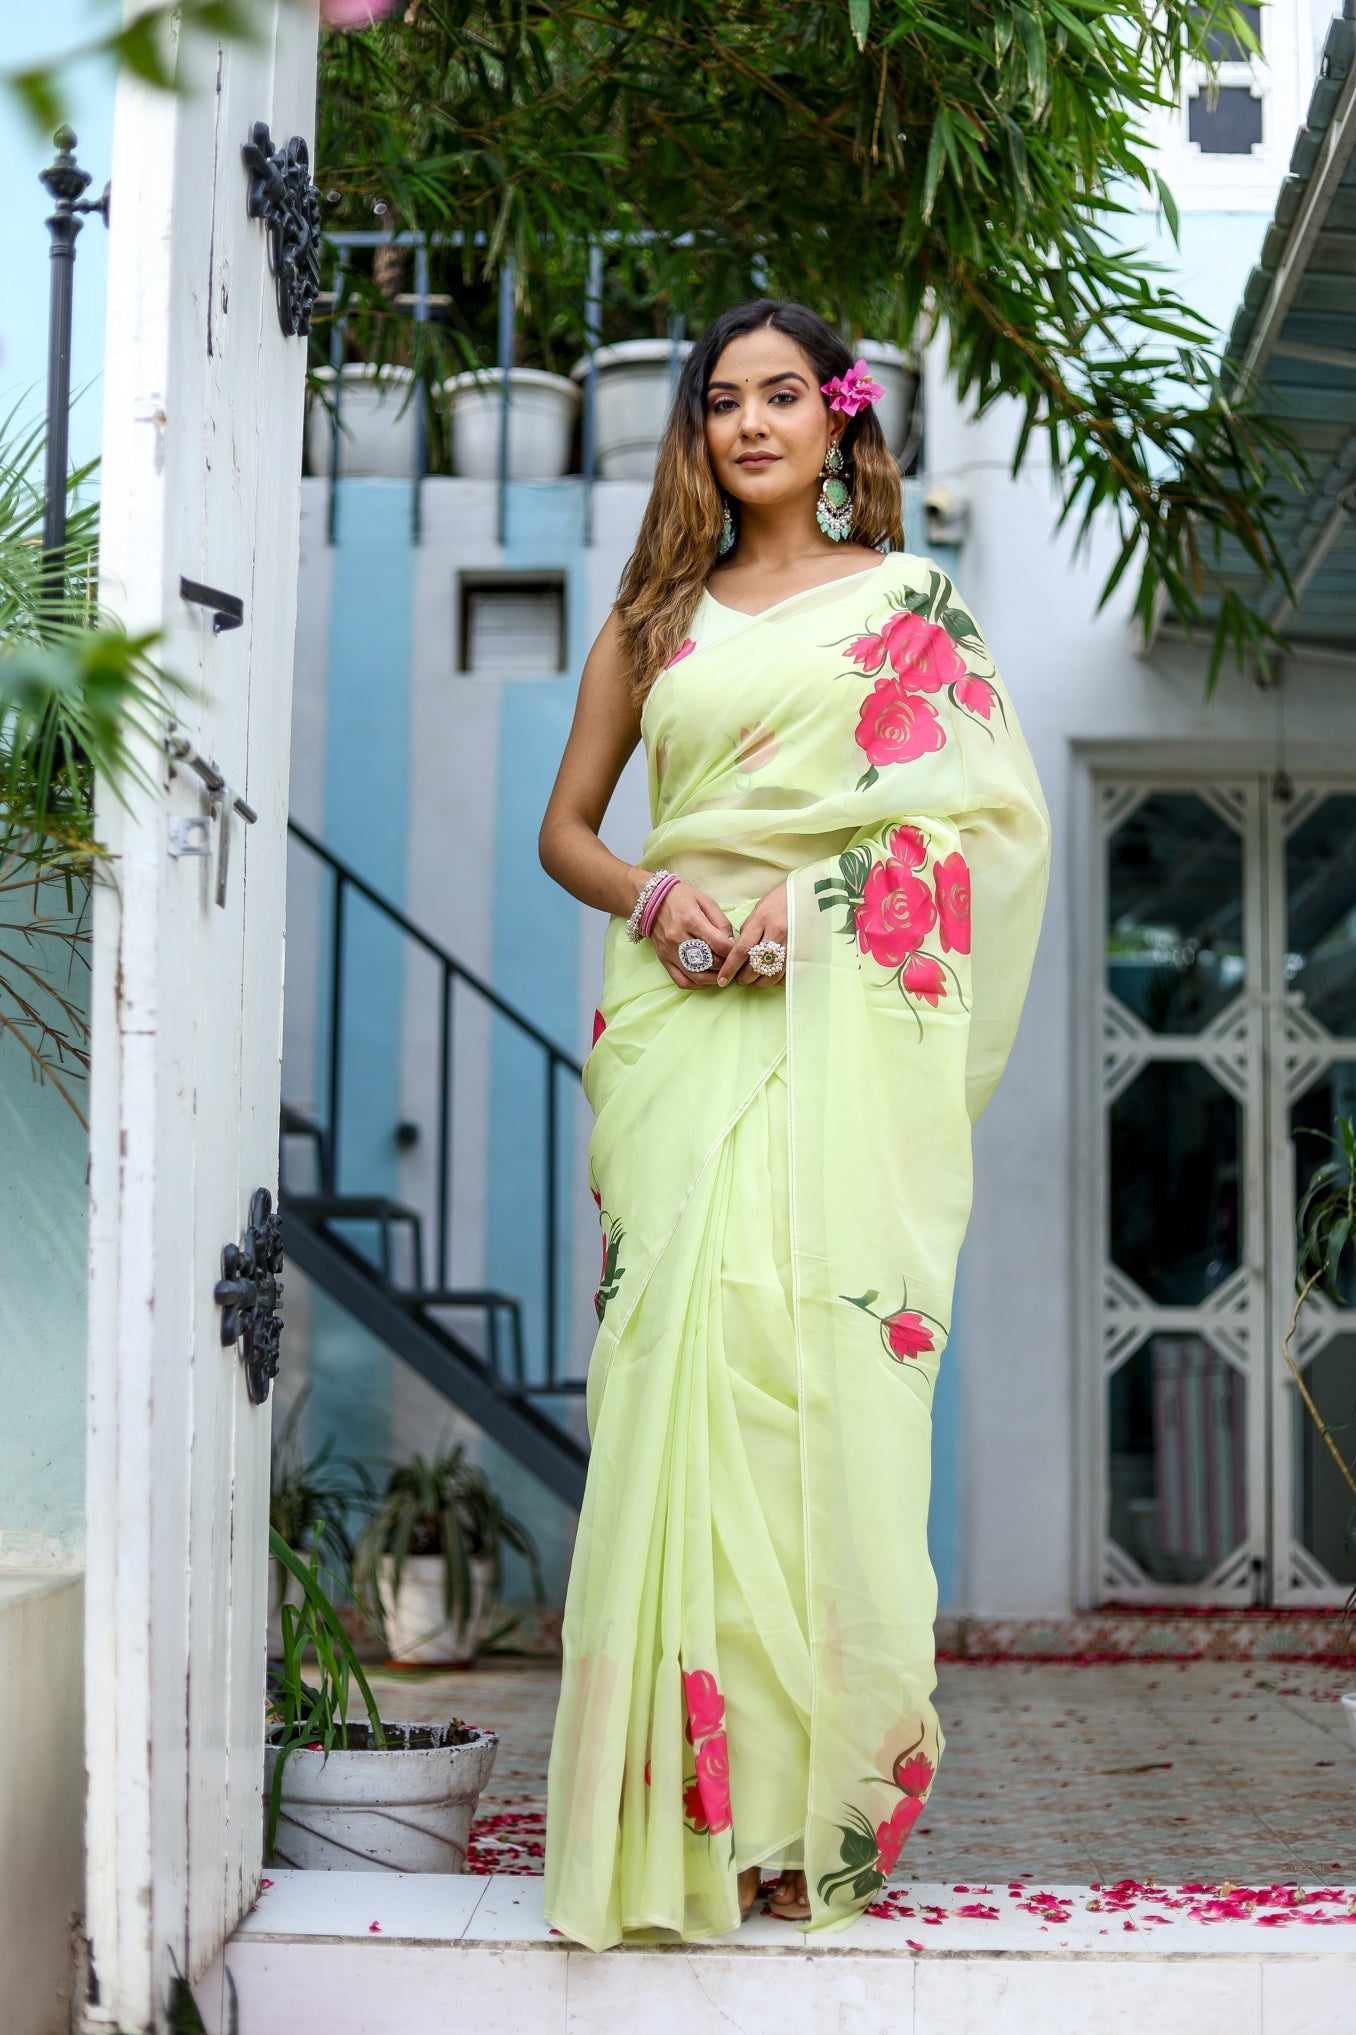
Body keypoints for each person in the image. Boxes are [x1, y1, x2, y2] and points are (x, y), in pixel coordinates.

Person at [537, 299, 1050, 1951]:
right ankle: (685, 1813)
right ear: (695, 432)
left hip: (836, 1036)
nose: (749, 424)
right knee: (675, 1389)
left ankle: (798, 1816)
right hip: (686, 1032)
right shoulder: (652, 617)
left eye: (782, 397)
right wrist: (670, 899)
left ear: (839, 423)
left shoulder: (909, 610)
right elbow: (570, 832)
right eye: (720, 401)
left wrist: (819, 916)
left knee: (803, 1386)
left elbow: (987, 829)